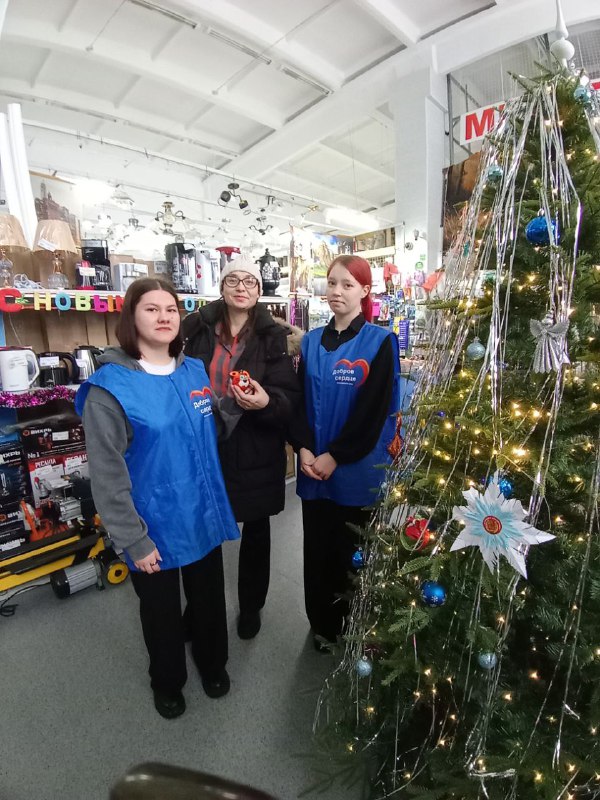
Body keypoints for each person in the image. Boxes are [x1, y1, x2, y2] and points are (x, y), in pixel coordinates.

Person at [75, 278, 239, 719]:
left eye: (171, 309)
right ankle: (167, 682)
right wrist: (133, 538)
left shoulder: (192, 370)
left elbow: (210, 428)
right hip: (151, 524)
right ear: (131, 318)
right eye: (151, 309)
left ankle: (213, 663)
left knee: (208, 599)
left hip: (201, 511)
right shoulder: (110, 389)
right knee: (161, 612)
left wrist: (237, 405)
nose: (164, 317)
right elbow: (107, 474)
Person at [182, 254, 301, 640]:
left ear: (259, 290)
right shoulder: (196, 327)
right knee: (202, 530)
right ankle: (199, 607)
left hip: (254, 445)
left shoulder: (273, 336)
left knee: (256, 531)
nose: (241, 288)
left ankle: (251, 607)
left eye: (250, 282)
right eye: (233, 280)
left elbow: (288, 397)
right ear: (221, 287)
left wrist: (266, 402)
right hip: (204, 443)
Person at [291, 254, 401, 651]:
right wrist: (303, 447)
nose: (337, 291)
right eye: (332, 283)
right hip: (312, 467)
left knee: (351, 552)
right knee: (317, 551)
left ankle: (354, 625)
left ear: (365, 291)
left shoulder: (380, 342)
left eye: (347, 285)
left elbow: (374, 412)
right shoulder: (310, 342)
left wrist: (335, 455)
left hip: (355, 468)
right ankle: (322, 625)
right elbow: (299, 401)